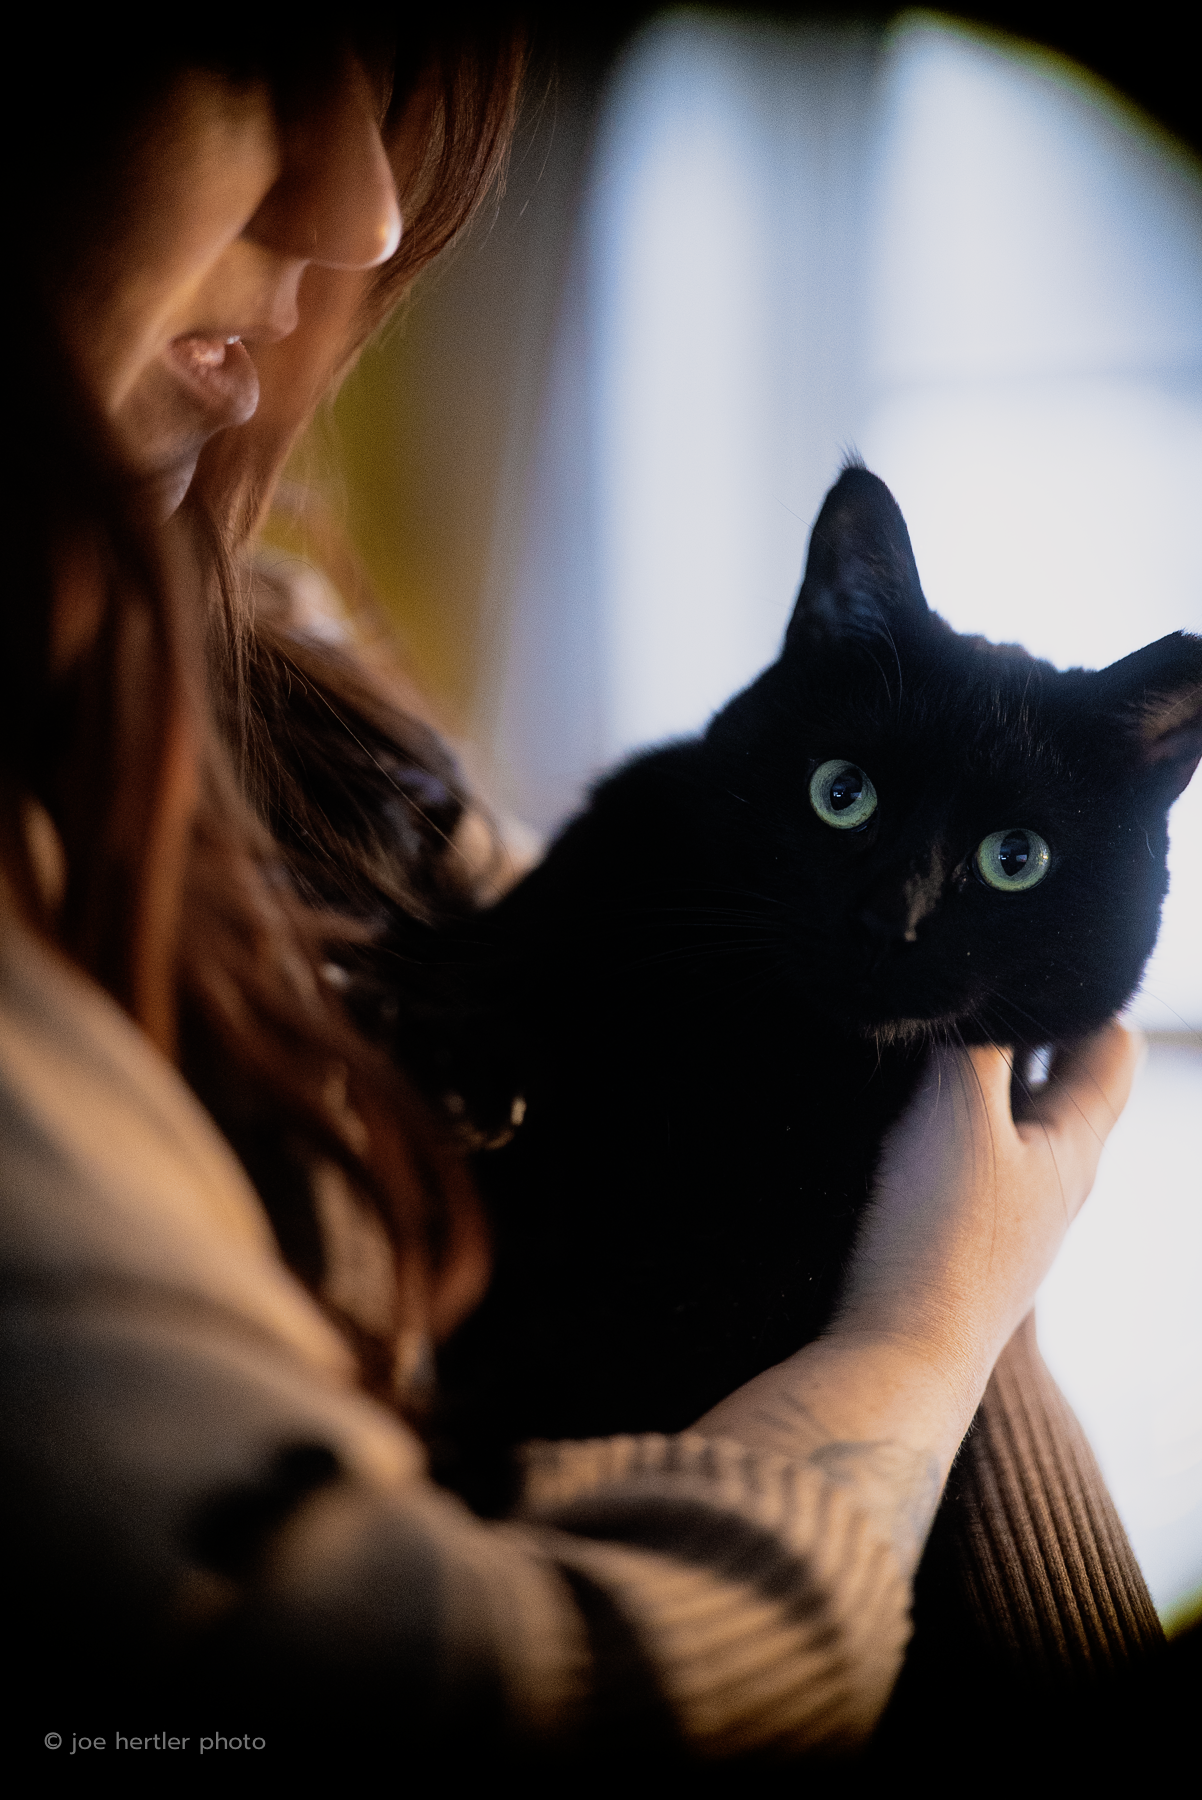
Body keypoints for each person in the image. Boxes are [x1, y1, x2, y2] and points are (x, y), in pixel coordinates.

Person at [3, 11, 1157, 1768]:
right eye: (246, 49)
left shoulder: (304, 696)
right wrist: (926, 1331)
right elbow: (444, 1685)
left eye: (394, 100)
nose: (370, 211)